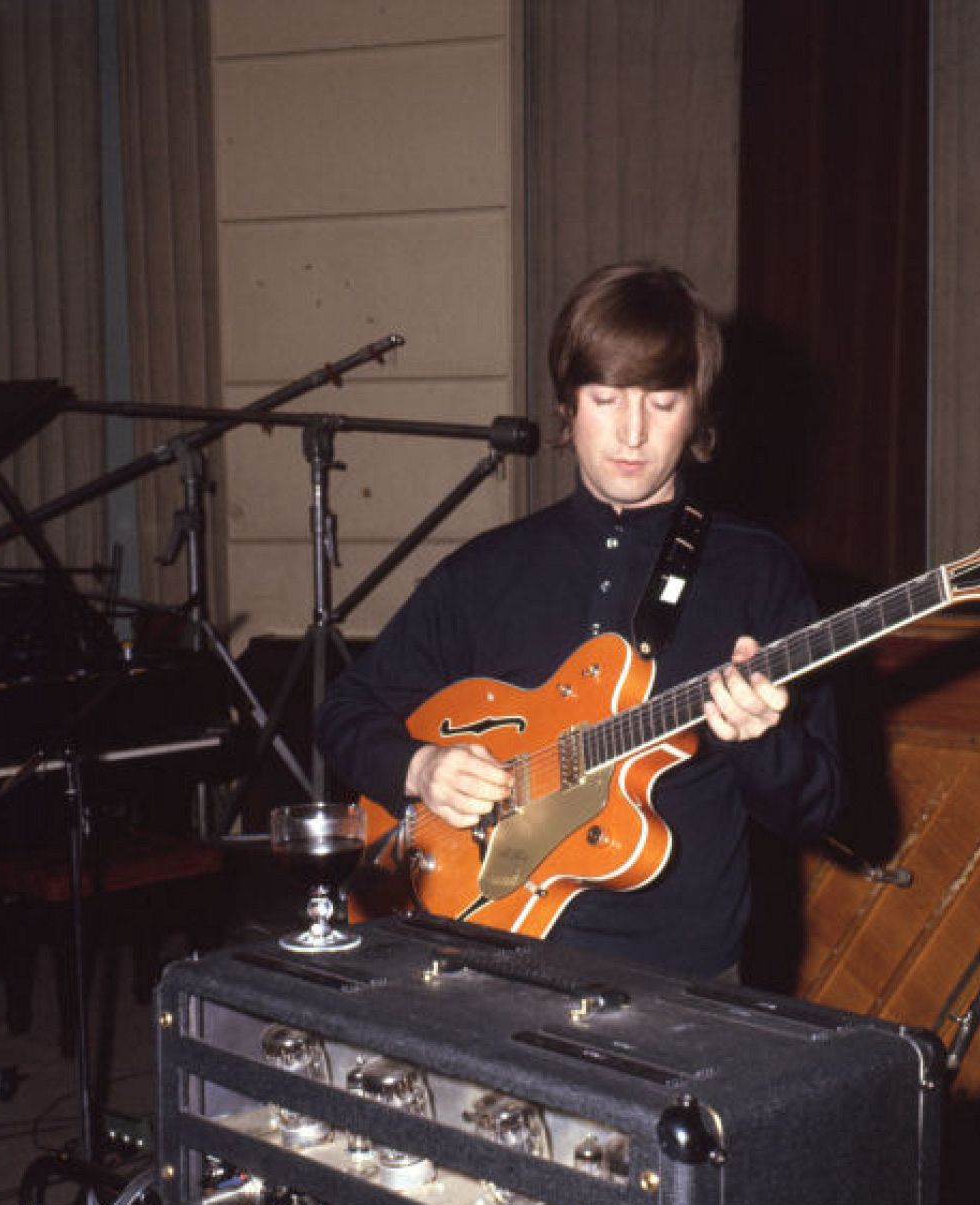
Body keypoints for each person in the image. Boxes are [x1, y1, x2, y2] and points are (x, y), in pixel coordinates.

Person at [316, 263, 841, 978]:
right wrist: (420, 767)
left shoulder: (757, 571)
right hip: (479, 962)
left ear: (698, 413)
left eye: (661, 403)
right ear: (568, 407)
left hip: (676, 981)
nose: (631, 433)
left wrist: (761, 739)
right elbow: (346, 709)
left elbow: (818, 806)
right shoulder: (488, 570)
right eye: (605, 398)